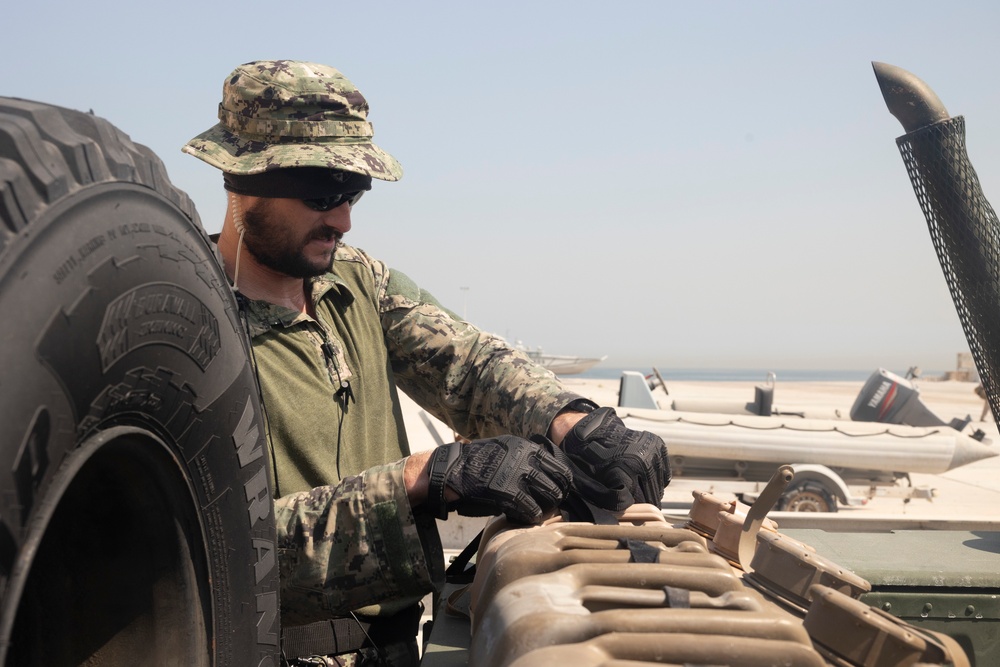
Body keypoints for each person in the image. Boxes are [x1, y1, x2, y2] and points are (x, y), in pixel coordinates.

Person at [182, 60, 670, 666]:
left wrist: (573, 423)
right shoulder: (191, 330)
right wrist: (421, 479)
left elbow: (468, 364)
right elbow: (217, 549)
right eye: (322, 195)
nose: (343, 219)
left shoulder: (356, 282)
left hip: (389, 646)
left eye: (355, 193)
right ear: (243, 178)